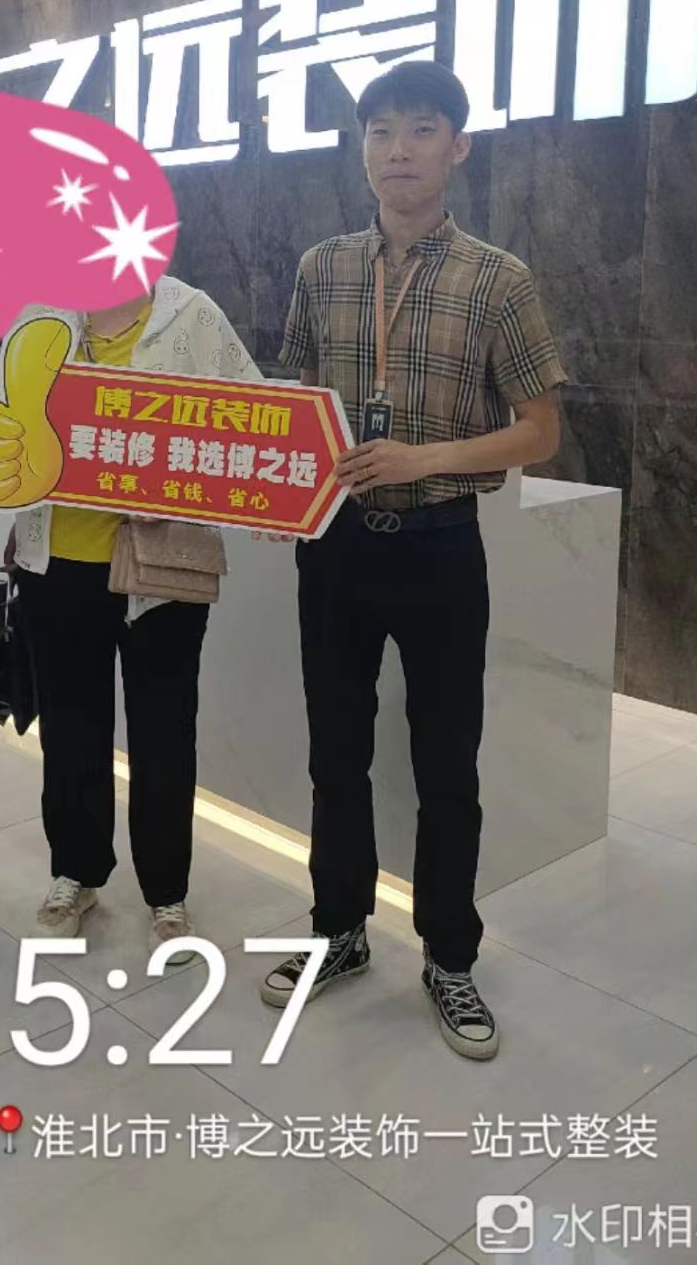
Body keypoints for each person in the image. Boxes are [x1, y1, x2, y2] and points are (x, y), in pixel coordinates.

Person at [262, 59, 565, 1060]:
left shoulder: (498, 279)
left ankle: (449, 955)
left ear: (457, 147)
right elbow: (299, 398)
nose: (398, 150)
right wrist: (276, 488)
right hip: (335, 547)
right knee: (334, 752)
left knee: (445, 761)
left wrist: (421, 457)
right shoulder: (322, 267)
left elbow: (539, 431)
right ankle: (338, 929)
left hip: (439, 546)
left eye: (421, 130)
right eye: (380, 131)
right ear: (362, 149)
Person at [0, 276, 261, 959]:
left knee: (164, 729)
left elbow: (252, 428)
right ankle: (76, 873)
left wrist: (181, 485)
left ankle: (167, 892)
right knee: (70, 726)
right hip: (58, 562)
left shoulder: (192, 315)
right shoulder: (38, 319)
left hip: (162, 568)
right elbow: (0, 421)